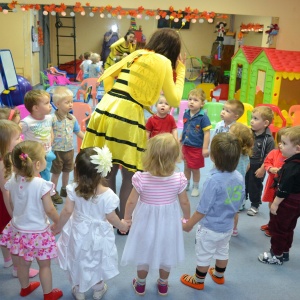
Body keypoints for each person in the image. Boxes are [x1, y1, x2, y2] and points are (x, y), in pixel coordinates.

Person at [81, 28, 186, 222]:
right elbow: (175, 99)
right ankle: (124, 220)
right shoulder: (163, 62)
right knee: (130, 173)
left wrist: (116, 98)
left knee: (108, 168)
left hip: (105, 108)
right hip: (127, 116)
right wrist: (181, 71)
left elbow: (109, 74)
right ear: (173, 50)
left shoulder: (137, 54)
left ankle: (110, 217)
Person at [51, 147, 129, 300]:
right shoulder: (108, 195)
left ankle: (79, 290)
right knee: (97, 258)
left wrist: (58, 228)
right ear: (102, 172)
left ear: (77, 171)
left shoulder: (73, 189)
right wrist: (123, 226)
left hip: (78, 230)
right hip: (99, 234)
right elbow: (112, 218)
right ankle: (98, 289)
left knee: (78, 257)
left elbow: (66, 211)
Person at [121, 133, 190, 296]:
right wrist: (186, 219)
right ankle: (163, 284)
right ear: (175, 157)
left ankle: (140, 284)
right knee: (167, 252)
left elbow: (131, 202)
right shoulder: (179, 179)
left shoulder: (141, 178)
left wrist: (127, 218)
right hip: (169, 223)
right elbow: (185, 202)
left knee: (144, 251)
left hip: (145, 222)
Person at [180, 133, 244, 290]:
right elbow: (238, 202)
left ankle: (198, 280)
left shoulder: (213, 180)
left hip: (210, 227)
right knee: (223, 250)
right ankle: (219, 275)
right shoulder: (239, 176)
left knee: (204, 253)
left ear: (214, 157)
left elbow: (202, 209)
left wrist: (189, 225)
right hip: (227, 226)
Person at [0, 140, 62, 299]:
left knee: (22, 263)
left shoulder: (13, 179)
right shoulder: (41, 184)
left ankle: (25, 288)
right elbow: (49, 209)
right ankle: (48, 294)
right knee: (44, 265)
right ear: (38, 164)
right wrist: (59, 222)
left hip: (18, 229)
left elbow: (13, 203)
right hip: (38, 232)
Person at [0, 120, 39, 279]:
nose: (21, 139)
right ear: (4, 143)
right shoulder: (4, 164)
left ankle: (8, 259)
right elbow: (6, 191)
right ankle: (18, 267)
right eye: (17, 138)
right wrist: (13, 213)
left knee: (4, 233)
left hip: (7, 203)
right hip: (6, 204)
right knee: (14, 236)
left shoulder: (11, 157)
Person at [258, 126, 300, 265]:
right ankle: (285, 251)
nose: (281, 146)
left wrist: (275, 203)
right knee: (289, 227)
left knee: (278, 228)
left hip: (287, 202)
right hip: (297, 204)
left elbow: (283, 189)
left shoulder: (290, 166)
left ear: (297, 149)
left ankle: (276, 255)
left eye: (285, 144)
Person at [50, 87, 84, 205]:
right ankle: (52, 192)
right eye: (67, 102)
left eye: (71, 102)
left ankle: (64, 188)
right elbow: (48, 134)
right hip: (57, 151)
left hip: (70, 150)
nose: (71, 105)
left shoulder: (72, 118)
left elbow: (77, 132)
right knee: (56, 172)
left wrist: (87, 138)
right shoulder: (52, 119)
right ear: (57, 104)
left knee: (67, 171)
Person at [180, 88, 212, 197]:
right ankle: (186, 184)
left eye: (195, 100)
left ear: (202, 103)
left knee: (195, 168)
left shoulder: (203, 117)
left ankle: (196, 186)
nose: (191, 102)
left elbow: (207, 133)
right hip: (186, 146)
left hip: (197, 147)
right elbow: (185, 128)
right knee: (186, 166)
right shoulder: (186, 114)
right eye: (190, 99)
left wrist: (205, 148)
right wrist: (181, 138)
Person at [20, 90, 56, 181]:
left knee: (46, 173)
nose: (50, 105)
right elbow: (15, 134)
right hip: (34, 156)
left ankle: (46, 191)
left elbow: (50, 127)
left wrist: (52, 136)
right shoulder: (26, 122)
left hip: (47, 152)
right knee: (34, 175)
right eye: (47, 103)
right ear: (36, 108)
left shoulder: (49, 117)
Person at [246, 106, 275, 216]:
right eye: (252, 118)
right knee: (244, 183)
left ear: (265, 123)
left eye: (256, 119)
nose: (251, 121)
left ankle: (255, 204)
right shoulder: (249, 133)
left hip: (258, 166)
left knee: (255, 186)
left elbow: (269, 156)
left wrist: (262, 169)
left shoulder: (269, 139)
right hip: (246, 164)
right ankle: (241, 201)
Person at [260, 127, 288, 237]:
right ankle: (272, 223)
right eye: (280, 142)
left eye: (285, 143)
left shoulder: (292, 156)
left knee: (280, 207)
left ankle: (276, 227)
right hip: (272, 184)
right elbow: (267, 162)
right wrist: (270, 168)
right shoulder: (274, 152)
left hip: (282, 187)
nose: (281, 145)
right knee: (271, 204)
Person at [229, 123, 254, 236]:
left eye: (230, 132)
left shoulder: (231, 154)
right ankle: (234, 229)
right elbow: (248, 167)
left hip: (228, 186)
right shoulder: (245, 154)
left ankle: (225, 227)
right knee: (235, 210)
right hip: (239, 186)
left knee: (225, 208)